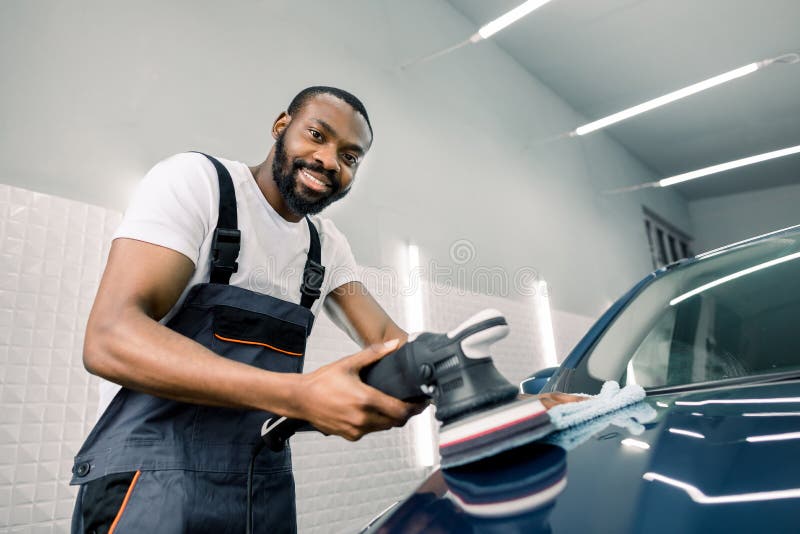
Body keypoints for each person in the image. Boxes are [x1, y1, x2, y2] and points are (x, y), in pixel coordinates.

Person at [70, 86, 580, 533]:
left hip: (259, 485)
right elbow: (111, 338)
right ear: (281, 126)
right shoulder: (199, 184)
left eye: (350, 156)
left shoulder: (325, 246)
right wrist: (298, 395)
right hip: (149, 480)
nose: (330, 159)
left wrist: (515, 405)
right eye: (317, 135)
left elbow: (392, 343)